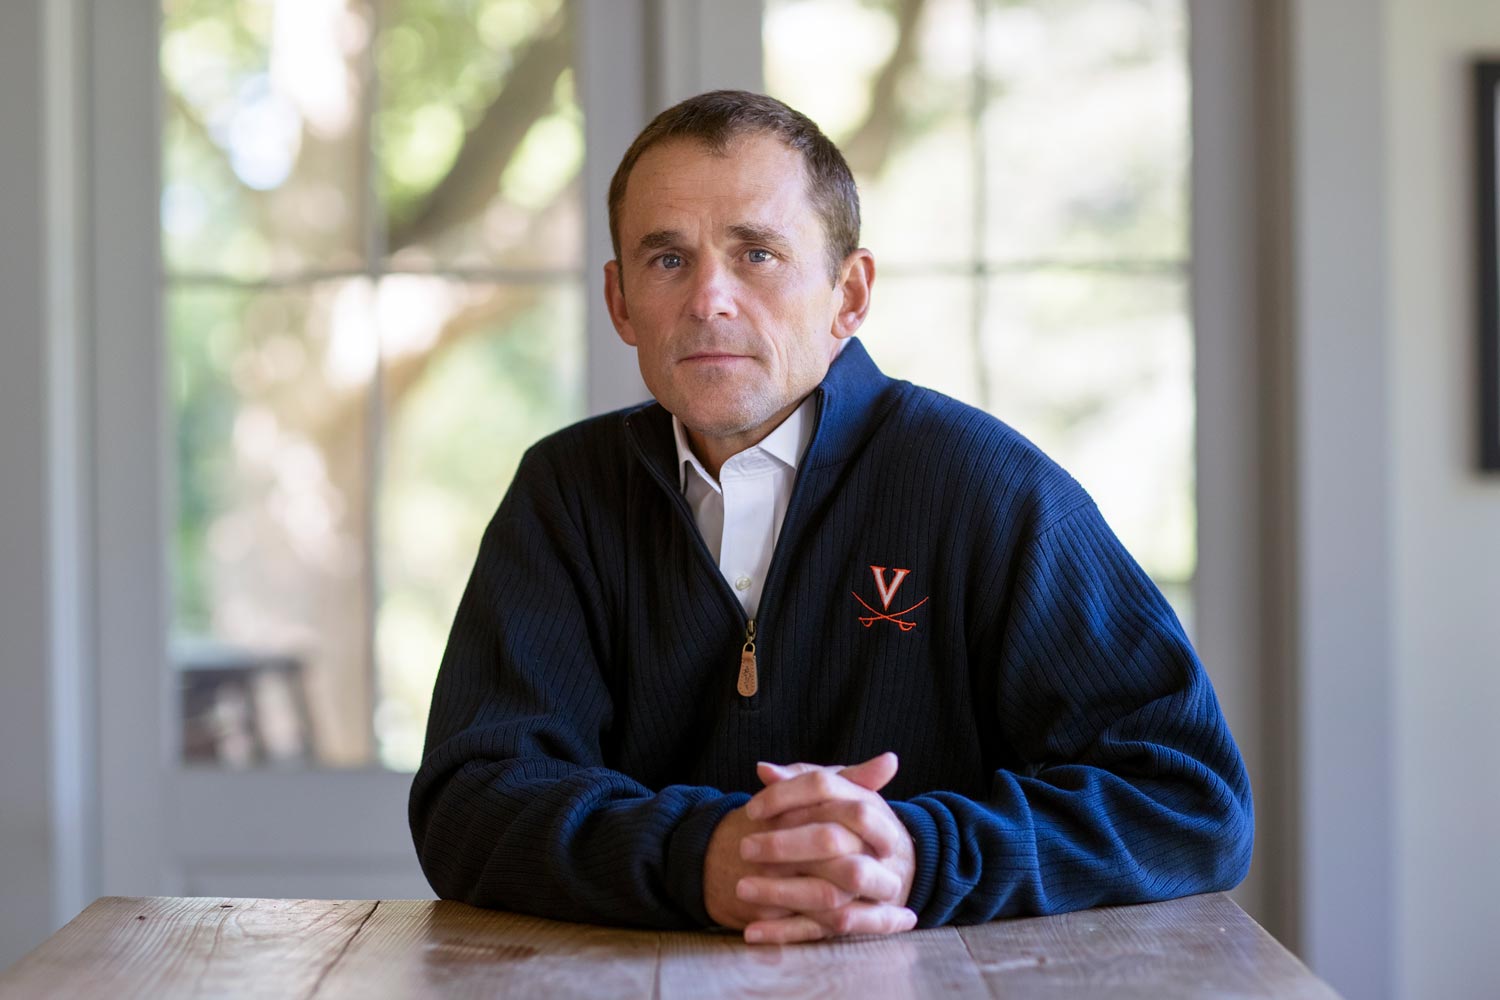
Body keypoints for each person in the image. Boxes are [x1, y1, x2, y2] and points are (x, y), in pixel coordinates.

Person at [408, 90, 1253, 945]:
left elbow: (1189, 798)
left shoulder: (985, 486)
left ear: (849, 294)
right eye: (667, 260)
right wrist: (698, 856)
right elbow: (469, 796)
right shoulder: (565, 494)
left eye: (758, 254)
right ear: (620, 301)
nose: (709, 299)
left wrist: (917, 855)